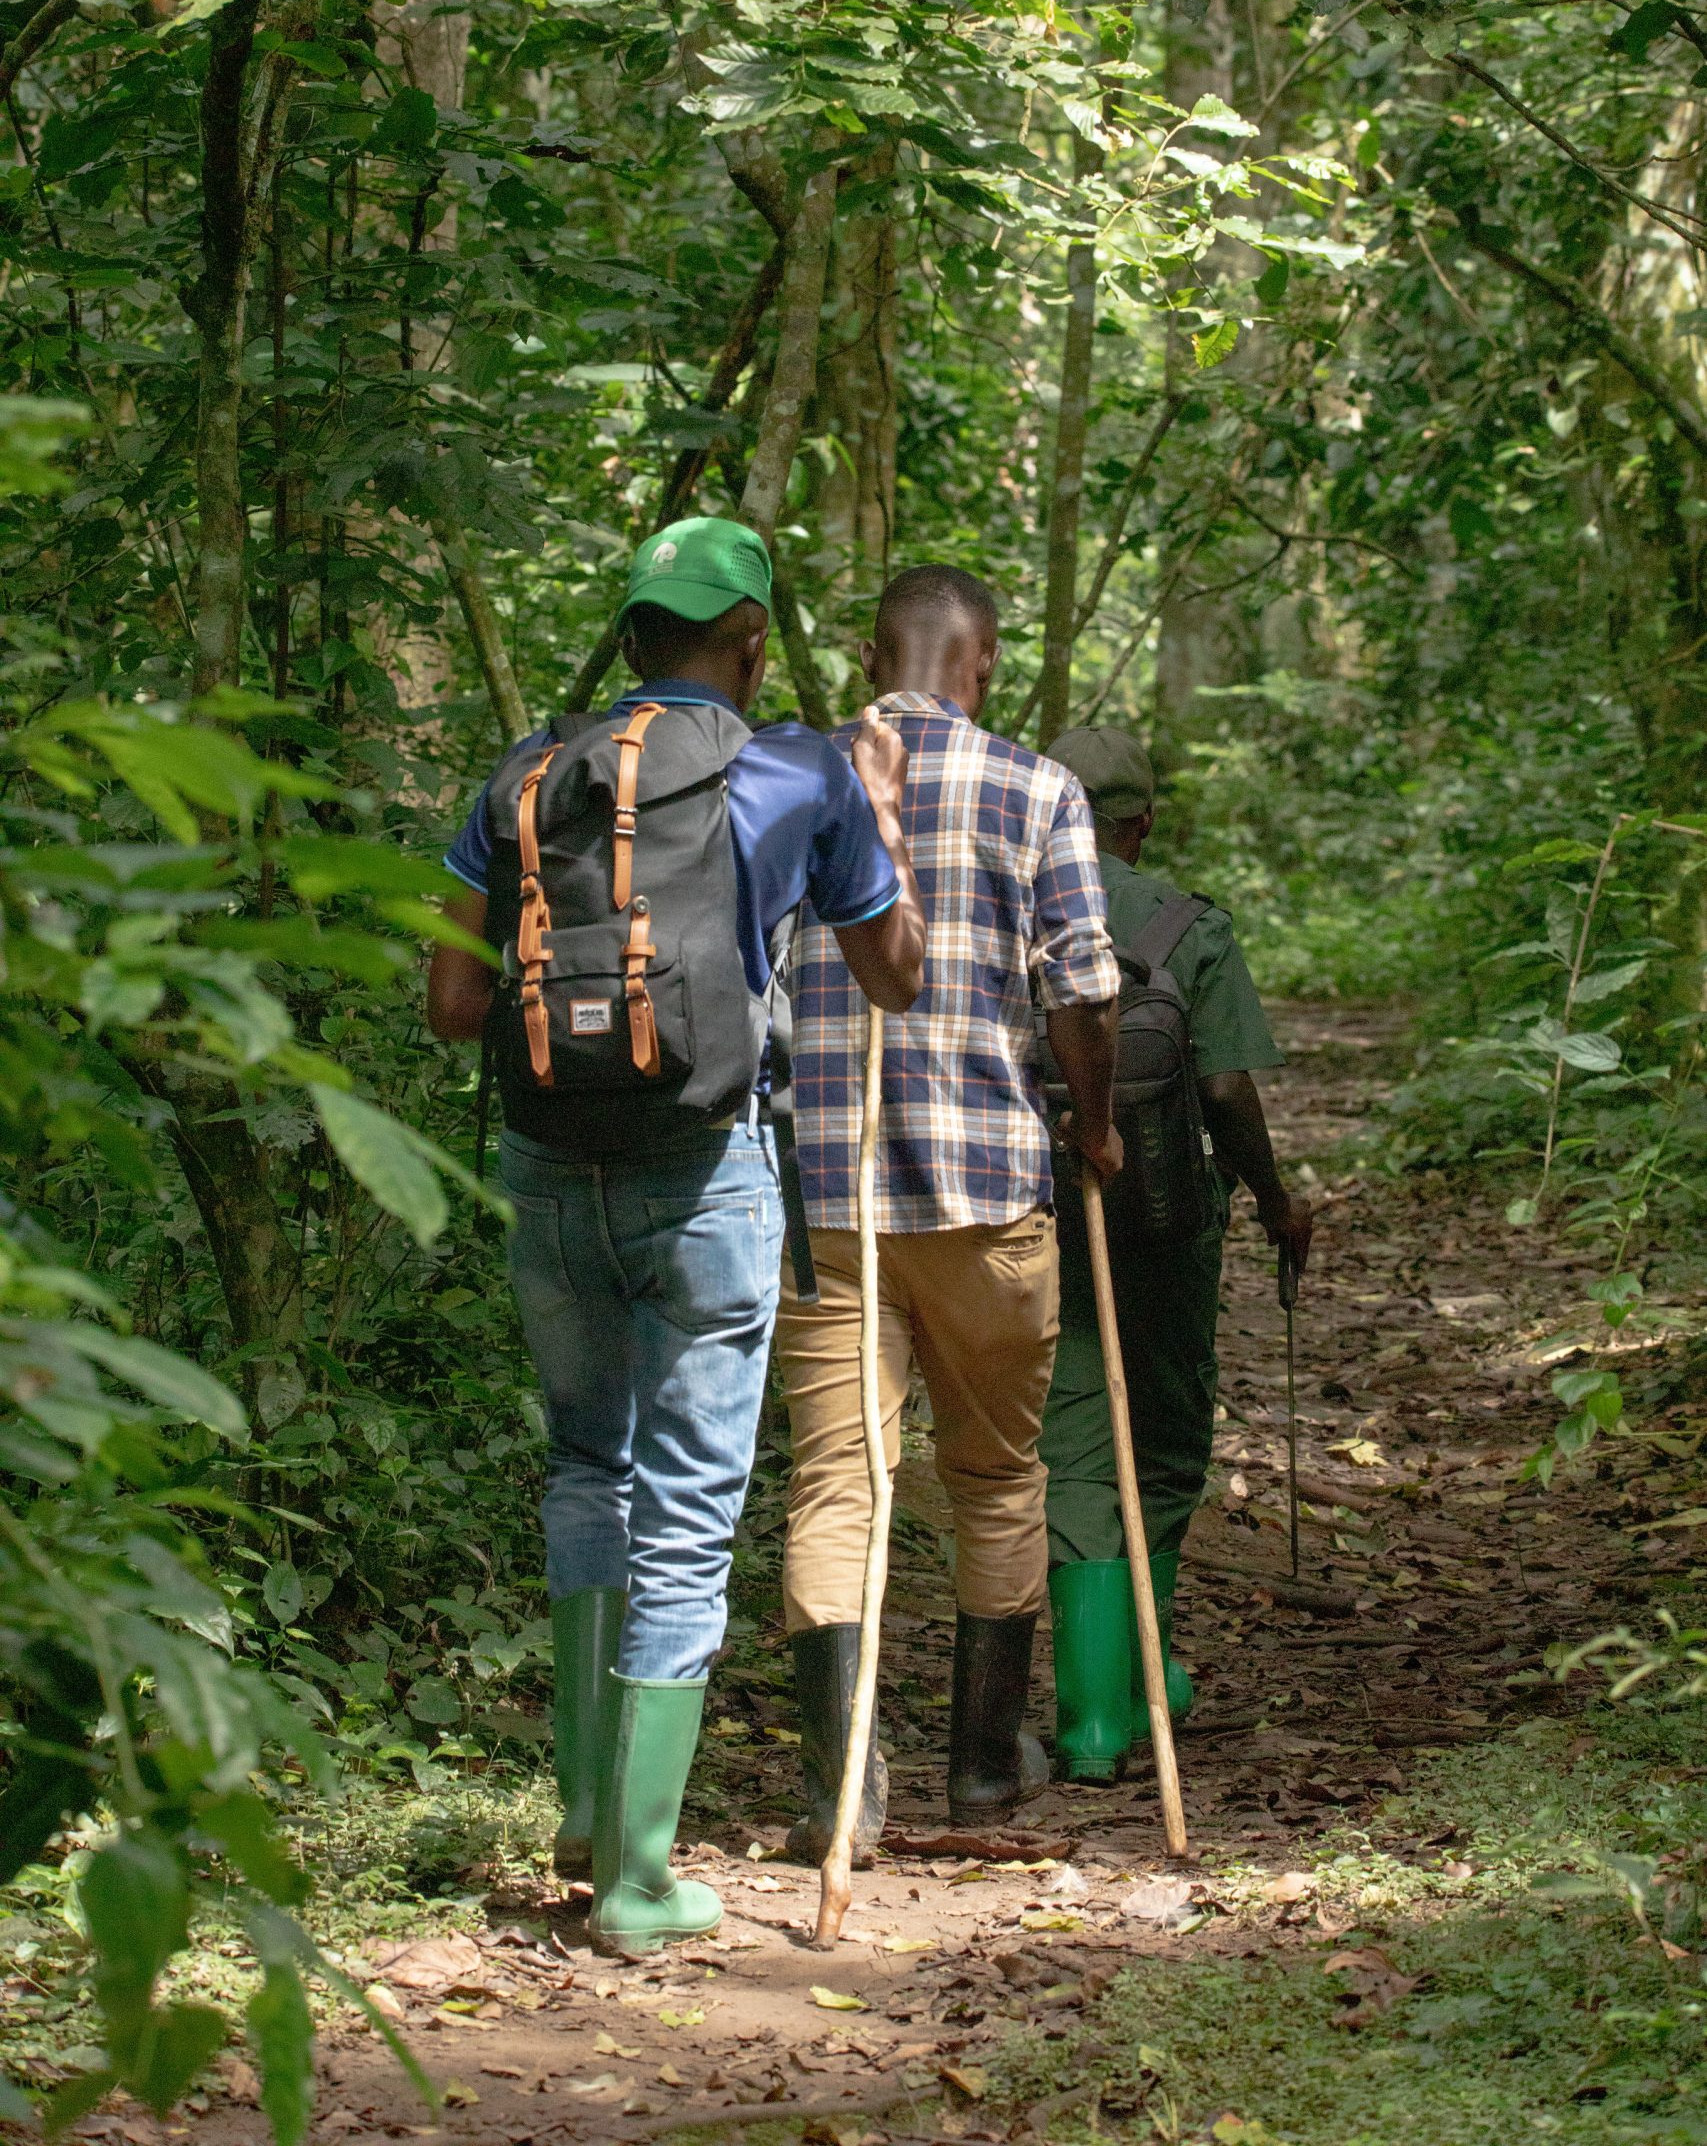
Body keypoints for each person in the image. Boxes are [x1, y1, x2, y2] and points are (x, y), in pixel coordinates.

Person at [426, 516, 926, 1958]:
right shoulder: (798, 771)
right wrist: (879, 816)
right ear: (752, 639)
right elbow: (894, 974)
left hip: (546, 1173)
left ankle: (588, 1814)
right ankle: (638, 1881)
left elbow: (452, 1006)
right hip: (706, 1172)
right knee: (691, 1506)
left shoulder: (531, 773)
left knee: (587, 1467)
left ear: (634, 633)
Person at [776, 565, 1121, 1861]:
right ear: (986, 665)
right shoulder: (1039, 789)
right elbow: (1082, 990)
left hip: (825, 1195)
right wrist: (1094, 1126)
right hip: (986, 1197)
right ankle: (978, 1766)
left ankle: (838, 1794)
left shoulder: (790, 779)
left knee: (835, 1486)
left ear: (873, 656)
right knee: (996, 1478)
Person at [1039, 724, 1312, 1779]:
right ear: (1142, 822)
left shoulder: (1005, 910)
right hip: (1162, 1220)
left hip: (1031, 1214)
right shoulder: (1189, 926)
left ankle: (1091, 1716)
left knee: (1071, 1440)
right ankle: (1138, 1681)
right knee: (1160, 1434)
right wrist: (1275, 1200)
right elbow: (1226, 1089)